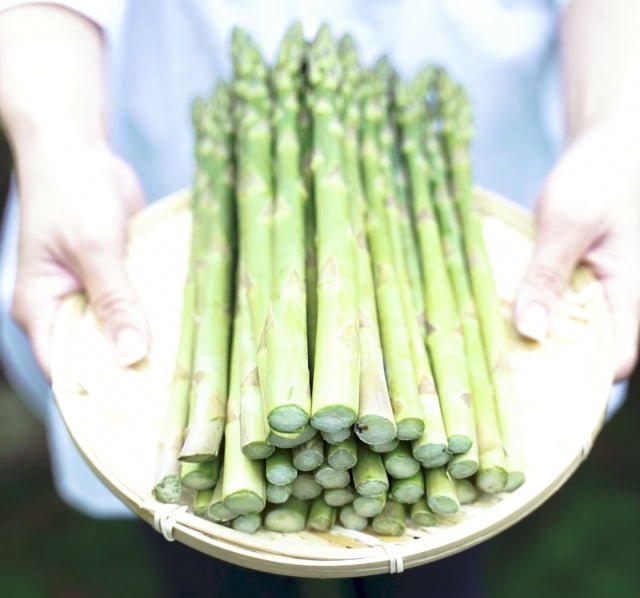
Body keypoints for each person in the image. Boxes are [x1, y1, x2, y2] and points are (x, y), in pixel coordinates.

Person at [0, 0, 638, 594]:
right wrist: (59, 142)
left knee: (436, 567)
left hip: (442, 209)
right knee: (209, 565)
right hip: (196, 212)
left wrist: (614, 135)